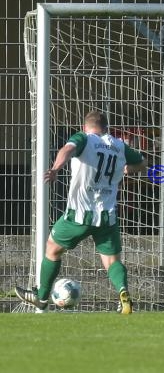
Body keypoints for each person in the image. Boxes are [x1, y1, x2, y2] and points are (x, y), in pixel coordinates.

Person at [15, 111, 147, 314]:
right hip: (107, 216)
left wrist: (56, 169)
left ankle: (41, 298)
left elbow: (67, 149)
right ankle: (123, 293)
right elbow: (142, 163)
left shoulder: (84, 138)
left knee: (52, 248)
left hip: (79, 214)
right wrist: (127, 170)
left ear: (85, 126)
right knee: (112, 262)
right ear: (106, 128)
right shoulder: (119, 145)